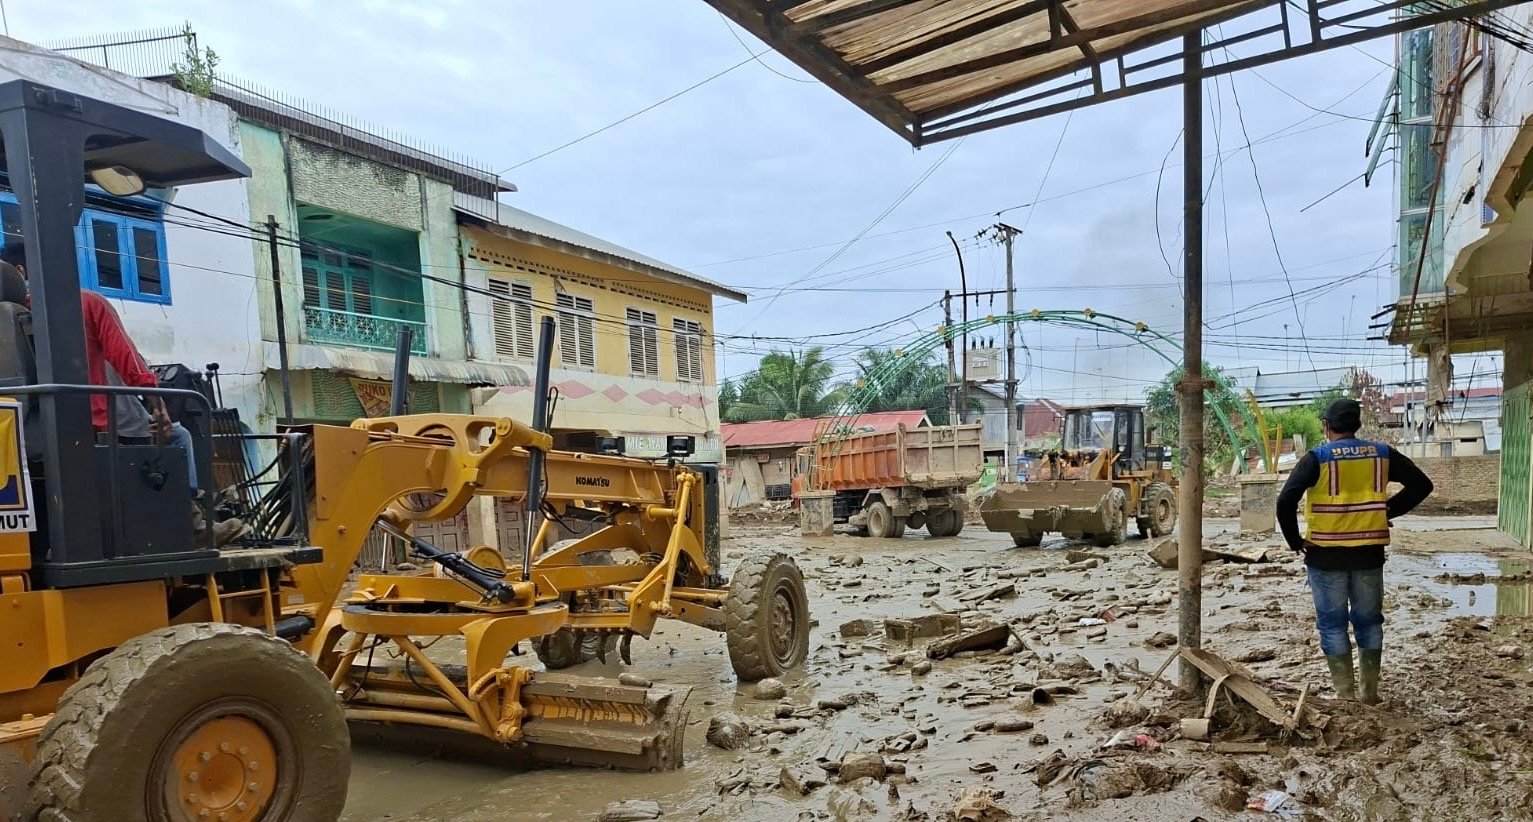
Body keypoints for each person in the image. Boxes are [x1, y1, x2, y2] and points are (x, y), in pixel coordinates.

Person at [0, 247, 245, 545]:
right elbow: (129, 361)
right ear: (25, 272)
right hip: (97, 427)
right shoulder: (86, 303)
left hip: (28, 439)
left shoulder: (11, 323)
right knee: (178, 438)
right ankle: (192, 524)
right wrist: (159, 409)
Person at [1275, 398, 1433, 704]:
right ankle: (1369, 694)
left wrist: (1295, 542)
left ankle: (1345, 697)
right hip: (1368, 554)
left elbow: (1285, 501)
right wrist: (1388, 509)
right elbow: (1422, 485)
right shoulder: (1381, 454)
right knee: (1370, 622)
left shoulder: (1317, 458)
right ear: (1357, 426)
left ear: (1326, 427)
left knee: (1333, 626)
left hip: (1324, 557)